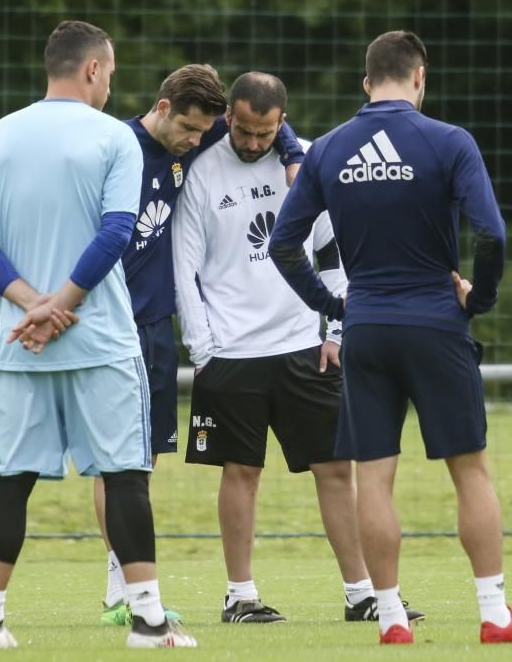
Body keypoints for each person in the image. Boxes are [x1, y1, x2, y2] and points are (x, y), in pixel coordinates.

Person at [268, 31, 512, 645]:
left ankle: (391, 619)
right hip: (437, 322)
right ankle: (494, 614)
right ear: (420, 78)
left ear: (367, 83)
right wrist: (482, 299)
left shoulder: (330, 149)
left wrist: (333, 304)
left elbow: (282, 244)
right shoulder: (449, 141)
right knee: (469, 470)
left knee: (374, 475)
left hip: (366, 326)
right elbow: (491, 235)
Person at [0, 20, 195, 648]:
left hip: (20, 342)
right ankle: (147, 620)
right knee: (125, 475)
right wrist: (60, 305)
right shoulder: (112, 137)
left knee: (9, 480)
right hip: (103, 342)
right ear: (92, 69)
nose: (112, 88)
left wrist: (32, 305)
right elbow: (117, 231)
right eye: (110, 76)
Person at [173, 70, 424, 626]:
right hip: (229, 352)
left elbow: (333, 254)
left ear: (281, 123)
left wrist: (336, 332)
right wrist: (203, 350)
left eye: (264, 134)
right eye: (242, 130)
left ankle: (362, 593)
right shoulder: (199, 168)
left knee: (336, 469)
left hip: (305, 346)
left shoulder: (307, 160)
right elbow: (183, 267)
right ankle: (240, 595)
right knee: (240, 472)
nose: (253, 143)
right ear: (227, 119)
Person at [93, 63, 306, 627]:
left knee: (147, 455)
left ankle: (128, 584)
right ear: (163, 108)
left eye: (205, 130)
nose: (197, 141)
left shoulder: (209, 130)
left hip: (157, 324)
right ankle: (121, 589)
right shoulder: (115, 147)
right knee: (118, 459)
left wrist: (292, 153)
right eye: (190, 129)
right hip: (111, 321)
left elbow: (268, 121)